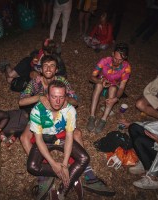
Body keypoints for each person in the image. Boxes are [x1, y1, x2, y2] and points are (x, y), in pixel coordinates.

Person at [20, 55, 115, 199]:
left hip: (60, 116)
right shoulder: (35, 81)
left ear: (56, 69)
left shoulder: (62, 81)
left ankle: (88, 175)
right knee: (24, 137)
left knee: (76, 133)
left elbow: (75, 101)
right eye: (45, 65)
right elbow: (21, 102)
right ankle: (45, 175)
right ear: (40, 69)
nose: (48, 68)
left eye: (52, 66)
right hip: (41, 117)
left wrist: (65, 102)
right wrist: (39, 97)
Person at [27, 80, 89, 200]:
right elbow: (38, 140)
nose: (58, 101)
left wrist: (65, 165)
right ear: (47, 96)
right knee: (32, 167)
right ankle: (71, 176)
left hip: (61, 137)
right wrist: (53, 164)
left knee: (85, 158)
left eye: (61, 97)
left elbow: (70, 136)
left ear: (65, 97)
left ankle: (65, 186)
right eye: (54, 97)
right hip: (44, 139)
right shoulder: (37, 110)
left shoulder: (70, 110)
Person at [87, 43, 131, 133]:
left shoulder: (126, 67)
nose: (116, 61)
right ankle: (92, 116)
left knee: (113, 88)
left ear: (124, 58)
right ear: (112, 54)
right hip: (101, 83)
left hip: (113, 87)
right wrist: (100, 81)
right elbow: (91, 77)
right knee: (99, 85)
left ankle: (103, 119)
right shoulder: (105, 61)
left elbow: (122, 87)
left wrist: (116, 98)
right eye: (115, 58)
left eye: (120, 60)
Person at [0, 38, 64, 84]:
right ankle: (6, 66)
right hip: (28, 64)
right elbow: (34, 53)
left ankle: (19, 75)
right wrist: (34, 58)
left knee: (10, 80)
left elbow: (60, 75)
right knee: (10, 75)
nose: (47, 53)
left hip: (33, 72)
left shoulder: (57, 60)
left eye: (49, 51)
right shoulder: (41, 51)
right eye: (45, 50)